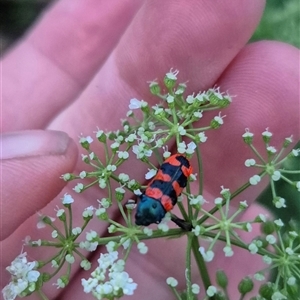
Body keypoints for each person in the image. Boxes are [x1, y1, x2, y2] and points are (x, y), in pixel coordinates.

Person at [1, 1, 299, 299]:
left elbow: (157, 196)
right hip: (173, 171)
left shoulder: (154, 208)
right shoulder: (151, 206)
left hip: (175, 170)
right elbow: (155, 194)